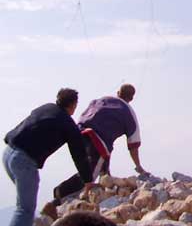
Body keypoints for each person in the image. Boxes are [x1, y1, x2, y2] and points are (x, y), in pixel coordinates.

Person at [43, 84, 147, 218]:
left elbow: (85, 113)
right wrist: (138, 166)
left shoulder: (102, 100)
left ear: (118, 92)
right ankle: (60, 194)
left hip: (79, 132)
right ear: (132, 98)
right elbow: (134, 145)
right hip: (97, 140)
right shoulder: (129, 112)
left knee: (95, 164)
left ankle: (104, 179)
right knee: (89, 176)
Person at [3, 88, 93, 226]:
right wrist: (88, 179)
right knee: (25, 210)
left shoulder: (45, 108)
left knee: (23, 204)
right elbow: (79, 154)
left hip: (8, 153)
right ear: (74, 105)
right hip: (24, 162)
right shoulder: (68, 124)